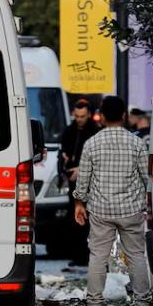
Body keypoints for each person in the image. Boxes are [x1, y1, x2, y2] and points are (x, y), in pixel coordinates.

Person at [73, 96, 153, 306]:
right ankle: (143, 305)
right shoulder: (137, 143)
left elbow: (84, 180)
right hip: (131, 210)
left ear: (102, 117)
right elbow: (146, 178)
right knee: (136, 255)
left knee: (98, 256)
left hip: (101, 210)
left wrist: (79, 203)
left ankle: (94, 305)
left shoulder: (92, 143)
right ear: (124, 117)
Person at [59, 99, 99, 265]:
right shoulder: (70, 130)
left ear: (88, 115)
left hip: (90, 182)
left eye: (82, 116)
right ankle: (77, 254)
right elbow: (64, 152)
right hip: (73, 180)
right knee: (74, 217)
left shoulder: (94, 132)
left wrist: (80, 170)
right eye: (77, 116)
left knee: (89, 218)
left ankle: (86, 254)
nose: (79, 119)